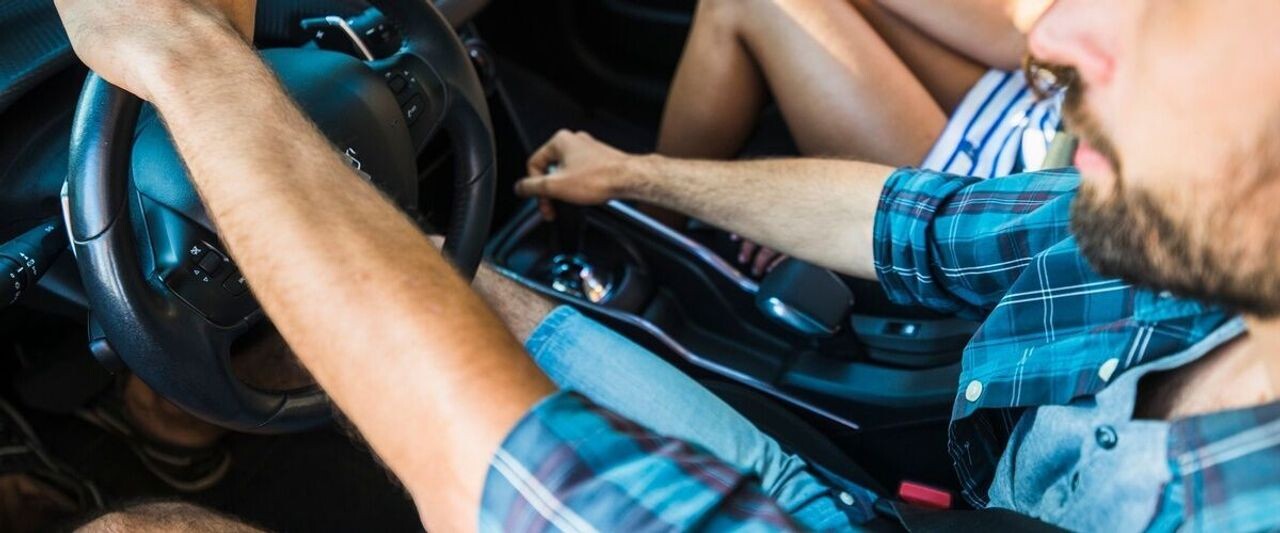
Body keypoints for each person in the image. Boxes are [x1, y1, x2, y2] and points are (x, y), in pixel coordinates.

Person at [50, 0, 1280, 530]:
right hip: (894, 506)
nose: (1047, 34)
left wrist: (190, 58)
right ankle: (181, 400)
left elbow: (522, 483)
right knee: (461, 277)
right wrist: (643, 174)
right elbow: (911, 220)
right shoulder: (1191, 231)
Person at [651, 0, 1062, 275]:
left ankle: (648, 232)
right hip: (1032, 101)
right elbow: (1018, 37)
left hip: (998, 191)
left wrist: (831, 204)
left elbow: (1033, 33)